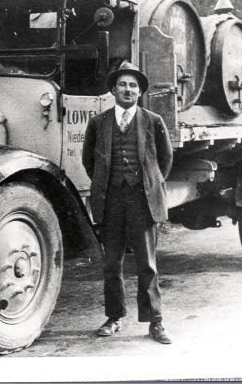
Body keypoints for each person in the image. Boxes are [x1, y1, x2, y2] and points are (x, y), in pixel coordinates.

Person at [82, 61, 173, 344]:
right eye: (122, 84)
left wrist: (147, 183)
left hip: (142, 200)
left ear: (140, 92)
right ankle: (114, 317)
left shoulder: (153, 121)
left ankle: (155, 322)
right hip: (111, 201)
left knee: (147, 263)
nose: (128, 89)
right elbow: (89, 161)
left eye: (133, 85)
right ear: (112, 89)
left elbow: (165, 160)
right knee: (112, 263)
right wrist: (107, 184)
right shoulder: (99, 123)